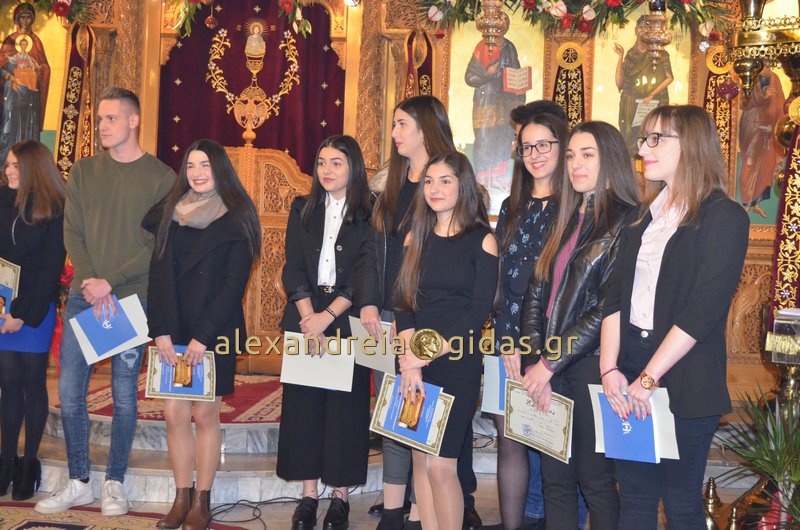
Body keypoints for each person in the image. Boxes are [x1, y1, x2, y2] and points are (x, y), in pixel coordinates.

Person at [600, 104, 749, 530]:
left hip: (685, 375)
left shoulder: (724, 217)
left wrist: (649, 379)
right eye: (643, 139)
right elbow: (614, 297)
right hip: (628, 369)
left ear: (692, 144)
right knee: (634, 499)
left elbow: (703, 310)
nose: (643, 150)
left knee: (681, 502)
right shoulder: (640, 217)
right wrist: (610, 369)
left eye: (656, 139)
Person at [35, 87, 176, 516]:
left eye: (111, 118)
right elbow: (72, 231)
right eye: (99, 119)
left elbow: (157, 244)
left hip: (133, 299)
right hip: (85, 296)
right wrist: (92, 281)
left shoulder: (161, 177)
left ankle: (115, 482)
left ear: (134, 121)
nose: (102, 126)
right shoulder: (83, 171)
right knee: (70, 389)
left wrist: (110, 282)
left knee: (124, 393)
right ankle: (78, 480)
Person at [354, 95, 483, 530]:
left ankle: (450, 513)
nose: (394, 133)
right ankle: (412, 514)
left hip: (448, 343)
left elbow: (475, 304)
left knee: (443, 452)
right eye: (430, 183)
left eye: (402, 124)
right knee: (410, 435)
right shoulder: (397, 203)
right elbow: (384, 268)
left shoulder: (471, 220)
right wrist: (378, 311)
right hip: (404, 330)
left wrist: (423, 348)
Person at [520, 121, 640, 530]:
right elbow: (536, 291)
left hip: (591, 363)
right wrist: (535, 361)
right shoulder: (566, 214)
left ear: (611, 159)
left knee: (595, 480)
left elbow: (606, 308)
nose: (575, 164)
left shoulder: (627, 221)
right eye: (571, 155)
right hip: (550, 363)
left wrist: (548, 364)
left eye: (587, 155)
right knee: (555, 479)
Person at [143, 139, 260, 529]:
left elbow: (233, 285)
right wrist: (160, 331)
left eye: (205, 165)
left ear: (220, 169)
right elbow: (158, 275)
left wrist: (203, 337)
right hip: (173, 328)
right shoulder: (169, 213)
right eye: (191, 166)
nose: (197, 173)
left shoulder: (237, 217)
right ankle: (181, 497)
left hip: (213, 330)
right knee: (174, 413)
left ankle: (202, 501)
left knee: (206, 413)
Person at [394, 151, 498, 530]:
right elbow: (403, 303)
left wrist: (422, 355)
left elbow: (477, 313)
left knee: (441, 465)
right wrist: (409, 362)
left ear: (462, 186)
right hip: (413, 363)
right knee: (420, 459)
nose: (435, 189)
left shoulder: (482, 240)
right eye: (429, 181)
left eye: (445, 181)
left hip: (456, 361)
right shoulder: (415, 237)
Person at [277, 135, 373, 530]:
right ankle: (308, 495)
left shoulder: (370, 212)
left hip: (347, 316)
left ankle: (340, 496)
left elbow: (366, 270)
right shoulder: (303, 207)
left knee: (344, 411)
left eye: (336, 162)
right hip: (306, 313)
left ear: (353, 167)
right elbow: (293, 267)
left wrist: (327, 317)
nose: (327, 170)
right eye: (321, 162)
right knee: (304, 409)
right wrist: (309, 318)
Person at [491, 105, 566, 530]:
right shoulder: (512, 205)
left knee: (556, 446)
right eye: (527, 147)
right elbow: (501, 279)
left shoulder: (572, 207)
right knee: (511, 439)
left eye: (544, 145)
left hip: (553, 346)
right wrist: (506, 341)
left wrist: (542, 352)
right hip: (507, 342)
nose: (534, 154)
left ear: (561, 145)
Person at [0, 140, 65, 500]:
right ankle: (6, 460)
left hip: (34, 310)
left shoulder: (53, 208)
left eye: (16, 166)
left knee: (32, 384)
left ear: (33, 169)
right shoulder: (1, 199)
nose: (9, 171)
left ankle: (29, 463)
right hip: (1, 306)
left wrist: (21, 314)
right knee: (7, 385)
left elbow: (48, 269)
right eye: (7, 165)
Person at [465, 30, 525, 183]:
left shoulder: (510, 47)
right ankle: (482, 181)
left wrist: (519, 83)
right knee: (484, 139)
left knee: (504, 139)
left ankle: (500, 180)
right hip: (486, 102)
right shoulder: (483, 47)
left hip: (506, 103)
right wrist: (488, 74)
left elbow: (516, 72)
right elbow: (470, 77)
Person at [614, 17, 673, 155]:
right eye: (641, 27)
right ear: (636, 30)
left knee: (650, 137)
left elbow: (669, 78)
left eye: (647, 27)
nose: (644, 30)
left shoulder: (661, 54)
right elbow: (620, 83)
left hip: (650, 104)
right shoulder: (630, 54)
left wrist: (651, 95)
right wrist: (620, 56)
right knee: (630, 141)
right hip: (629, 105)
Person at [0, 2, 50, 164]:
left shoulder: (36, 42)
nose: (25, 21)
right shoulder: (9, 41)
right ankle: (5, 161)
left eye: (29, 17)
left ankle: (27, 162)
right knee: (9, 124)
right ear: (17, 19)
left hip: (29, 93)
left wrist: (39, 69)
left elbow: (44, 66)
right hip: (12, 91)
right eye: (22, 17)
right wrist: (11, 75)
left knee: (28, 125)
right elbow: (2, 64)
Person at [738, 67, 785, 217]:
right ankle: (747, 203)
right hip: (752, 124)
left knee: (767, 162)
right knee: (750, 161)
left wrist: (776, 125)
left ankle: (757, 204)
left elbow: (780, 103)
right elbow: (742, 103)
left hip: (769, 124)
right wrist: (763, 95)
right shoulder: (748, 76)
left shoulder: (774, 77)